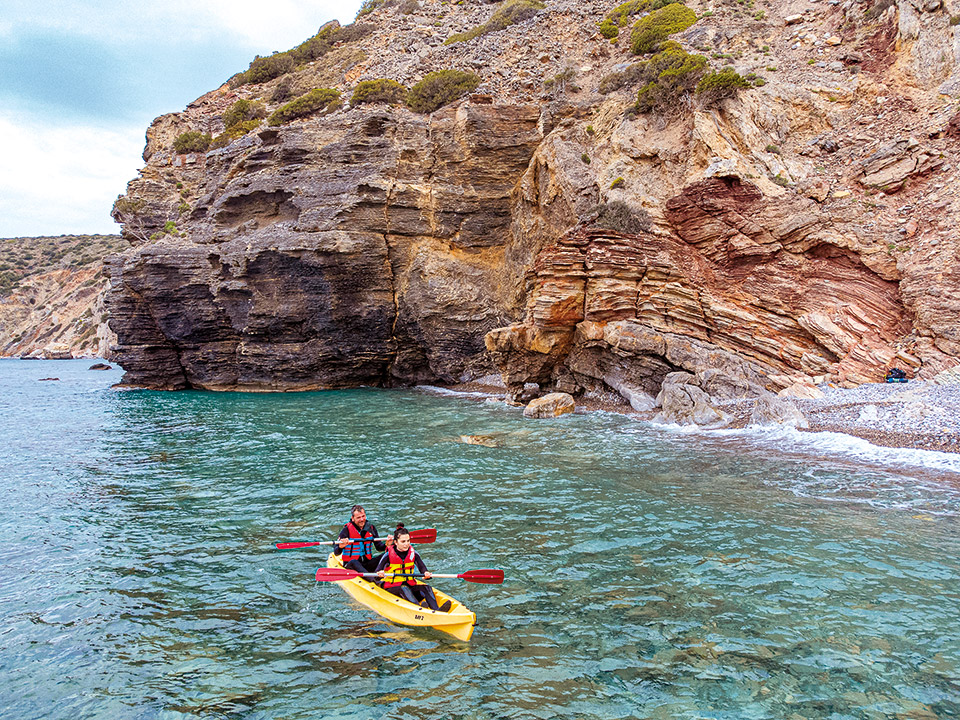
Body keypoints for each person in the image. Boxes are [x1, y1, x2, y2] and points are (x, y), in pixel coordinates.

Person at [377, 523, 452, 613]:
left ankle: (437, 610)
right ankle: (419, 610)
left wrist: (426, 574)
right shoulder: (388, 555)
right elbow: (376, 576)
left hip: (409, 585)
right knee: (404, 588)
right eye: (403, 541)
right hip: (392, 587)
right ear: (396, 542)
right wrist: (380, 574)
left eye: (408, 541)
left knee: (426, 588)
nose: (406, 544)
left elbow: (422, 568)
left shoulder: (413, 553)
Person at [334, 505, 392, 574]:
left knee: (388, 554)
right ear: (353, 518)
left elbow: (379, 547)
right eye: (358, 517)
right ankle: (373, 577)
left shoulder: (371, 528)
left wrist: (387, 545)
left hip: (367, 564)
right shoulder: (346, 530)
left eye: (363, 516)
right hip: (351, 565)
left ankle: (377, 574)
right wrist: (340, 546)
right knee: (354, 562)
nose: (362, 519)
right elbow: (336, 552)